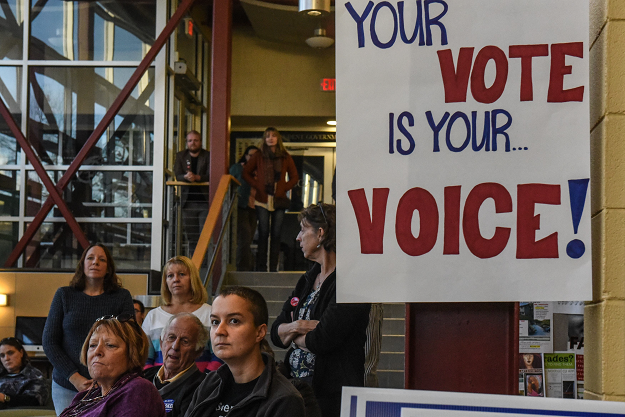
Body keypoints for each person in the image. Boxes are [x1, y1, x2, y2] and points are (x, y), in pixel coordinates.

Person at [270, 203, 371, 417]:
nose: (298, 237)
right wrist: (300, 326)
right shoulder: (307, 280)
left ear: (321, 233)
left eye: (303, 229)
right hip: (295, 389)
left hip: (331, 394)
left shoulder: (351, 282)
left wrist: (292, 334)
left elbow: (323, 340)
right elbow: (275, 332)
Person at [184, 286, 305, 417]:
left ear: (259, 332)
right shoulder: (210, 384)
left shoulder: (284, 399)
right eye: (215, 321)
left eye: (234, 321)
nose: (219, 331)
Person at [43, 243, 135, 415]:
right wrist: (75, 378)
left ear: (108, 268)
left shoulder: (122, 297)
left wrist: (106, 380)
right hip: (67, 384)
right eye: (90, 258)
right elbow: (49, 342)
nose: (95, 263)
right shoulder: (64, 295)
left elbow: (130, 340)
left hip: (110, 384)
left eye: (102, 259)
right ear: (83, 264)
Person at [59, 314, 165, 416]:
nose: (97, 351)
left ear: (133, 353)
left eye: (110, 345)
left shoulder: (139, 390)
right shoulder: (88, 394)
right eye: (92, 345)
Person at [142, 256, 220, 372]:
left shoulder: (210, 313)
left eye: (182, 274)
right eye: (170, 276)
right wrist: (154, 381)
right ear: (165, 282)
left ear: (192, 278)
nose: (176, 279)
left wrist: (205, 380)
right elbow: (145, 358)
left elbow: (218, 356)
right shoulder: (153, 316)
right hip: (160, 385)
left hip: (201, 384)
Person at [242, 127, 299, 272]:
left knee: (276, 233)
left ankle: (273, 267)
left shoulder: (285, 156)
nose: (270, 138)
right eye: (267, 136)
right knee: (263, 231)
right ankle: (261, 267)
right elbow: (246, 172)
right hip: (262, 199)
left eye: (273, 136)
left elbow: (294, 177)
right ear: (264, 139)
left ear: (277, 138)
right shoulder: (259, 156)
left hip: (279, 199)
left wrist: (284, 187)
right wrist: (257, 185)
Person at [144, 313, 208, 417]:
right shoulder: (144, 377)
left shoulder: (201, 387)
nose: (175, 346)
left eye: (185, 341)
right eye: (171, 337)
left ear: (198, 351)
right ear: (161, 343)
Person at [174, 130, 210, 255]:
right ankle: (194, 265)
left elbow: (212, 175)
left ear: (200, 142)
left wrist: (198, 177)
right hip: (187, 203)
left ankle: (205, 265)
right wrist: (186, 177)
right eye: (190, 141)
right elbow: (177, 175)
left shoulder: (208, 155)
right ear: (186, 142)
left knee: (204, 237)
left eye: (195, 140)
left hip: (205, 202)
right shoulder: (181, 156)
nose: (193, 143)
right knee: (192, 237)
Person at [229, 145, 260, 271]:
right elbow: (231, 185)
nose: (253, 158)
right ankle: (242, 269)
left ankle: (248, 266)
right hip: (241, 206)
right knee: (244, 238)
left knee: (249, 238)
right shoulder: (237, 168)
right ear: (245, 156)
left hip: (256, 207)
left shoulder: (261, 171)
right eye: (250, 155)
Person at [0, 337, 48, 408]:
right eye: (2, 355)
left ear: (21, 353)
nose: (6, 358)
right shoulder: (1, 375)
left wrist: (5, 398)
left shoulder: (34, 375)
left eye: (10, 353)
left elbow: (35, 401)